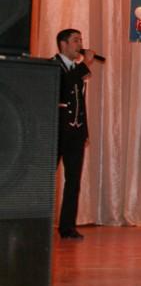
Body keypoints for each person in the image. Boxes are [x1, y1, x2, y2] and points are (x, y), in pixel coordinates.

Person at [53, 28, 95, 239]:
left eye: (81, 40)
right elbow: (65, 85)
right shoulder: (53, 66)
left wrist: (84, 131)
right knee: (46, 180)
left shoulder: (76, 70)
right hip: (56, 132)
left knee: (73, 181)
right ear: (63, 44)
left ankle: (67, 227)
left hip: (75, 133)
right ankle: (38, 222)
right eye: (76, 40)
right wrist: (84, 65)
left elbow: (80, 103)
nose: (80, 45)